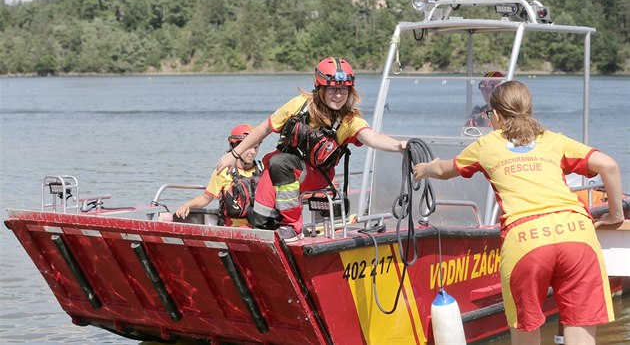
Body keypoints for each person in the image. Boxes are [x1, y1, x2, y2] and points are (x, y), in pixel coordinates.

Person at [413, 81, 622, 345]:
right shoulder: (554, 140)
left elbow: (444, 170)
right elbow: (609, 166)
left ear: (497, 115)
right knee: (580, 333)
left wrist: (424, 169)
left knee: (526, 332)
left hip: (526, 239)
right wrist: (615, 215)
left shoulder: (486, 145)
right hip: (577, 235)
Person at [216, 57, 406, 240]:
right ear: (319, 88)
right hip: (284, 170)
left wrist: (399, 145)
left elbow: (373, 138)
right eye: (332, 90)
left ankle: (292, 227)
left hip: (317, 176)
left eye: (343, 90)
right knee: (261, 211)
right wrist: (235, 154)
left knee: (278, 162)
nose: (338, 95)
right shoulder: (299, 105)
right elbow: (265, 128)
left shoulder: (349, 121)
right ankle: (266, 231)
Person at [176, 124, 262, 227]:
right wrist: (187, 205)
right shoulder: (223, 171)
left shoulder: (263, 168)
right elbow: (206, 197)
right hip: (235, 228)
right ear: (235, 147)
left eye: (256, 147)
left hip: (260, 225)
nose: (253, 152)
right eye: (248, 147)